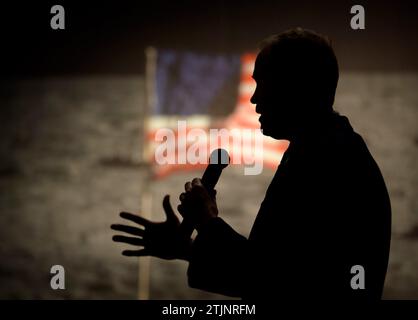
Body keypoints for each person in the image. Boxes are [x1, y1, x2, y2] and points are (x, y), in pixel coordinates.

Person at [111, 28, 391, 299]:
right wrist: (187, 247)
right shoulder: (321, 149)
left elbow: (277, 283)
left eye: (264, 84)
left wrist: (208, 224)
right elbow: (278, 271)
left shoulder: (332, 164)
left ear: (298, 87)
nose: (255, 99)